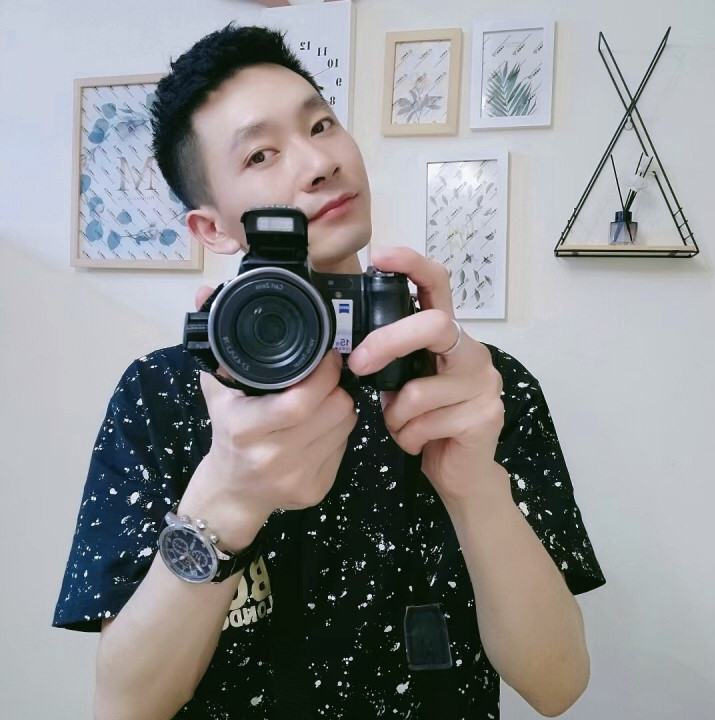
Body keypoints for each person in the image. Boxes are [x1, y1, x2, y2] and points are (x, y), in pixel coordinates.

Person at [53, 24, 605, 720]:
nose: (319, 162)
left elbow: (557, 685)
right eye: (260, 154)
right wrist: (226, 498)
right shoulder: (161, 395)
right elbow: (124, 709)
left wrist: (474, 488)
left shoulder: (472, 387)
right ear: (212, 228)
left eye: (321, 124)